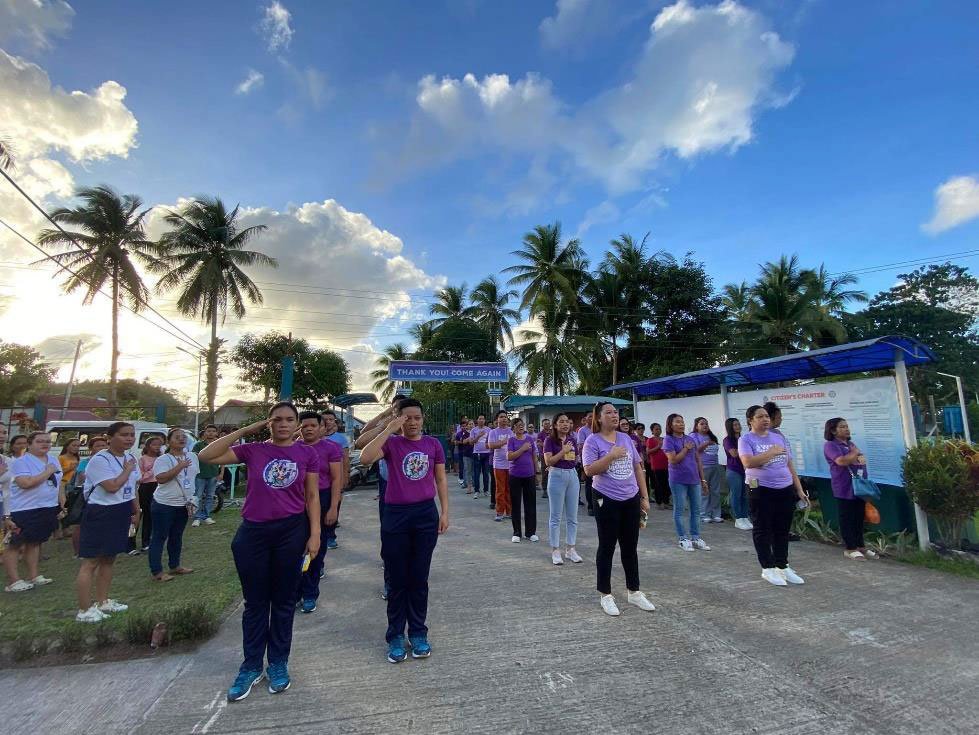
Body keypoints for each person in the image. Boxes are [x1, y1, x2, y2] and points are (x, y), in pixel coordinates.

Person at [199, 402, 321, 701]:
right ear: (269, 423)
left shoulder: (307, 453)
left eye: (289, 419)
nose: (283, 424)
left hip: (291, 531)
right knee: (255, 604)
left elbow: (312, 495)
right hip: (253, 532)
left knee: (283, 601)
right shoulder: (252, 451)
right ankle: (251, 665)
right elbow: (206, 456)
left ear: (296, 423)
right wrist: (247, 429)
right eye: (277, 419)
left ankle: (278, 663)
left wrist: (315, 533)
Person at [359, 398, 449, 664]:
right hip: (396, 515)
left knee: (419, 578)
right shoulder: (391, 444)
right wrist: (388, 428)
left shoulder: (433, 444)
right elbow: (365, 457)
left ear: (423, 419)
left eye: (417, 418)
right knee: (397, 580)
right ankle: (396, 635)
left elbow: (440, 479)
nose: (412, 423)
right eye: (406, 418)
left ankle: (418, 632)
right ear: (398, 419)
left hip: (425, 515)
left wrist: (445, 512)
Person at [583, 402, 655, 617]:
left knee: (630, 547)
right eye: (609, 412)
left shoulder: (626, 438)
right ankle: (605, 594)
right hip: (605, 498)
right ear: (598, 418)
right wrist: (611, 455)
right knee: (607, 546)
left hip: (631, 498)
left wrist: (644, 496)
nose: (614, 415)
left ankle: (634, 591)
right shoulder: (592, 441)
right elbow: (589, 470)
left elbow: (637, 467)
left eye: (616, 412)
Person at [75, 422, 140, 622]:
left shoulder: (130, 457)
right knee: (91, 561)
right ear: (110, 438)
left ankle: (103, 600)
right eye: (124, 434)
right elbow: (111, 486)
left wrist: (136, 509)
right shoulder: (100, 460)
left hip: (121, 509)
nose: (129, 438)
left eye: (132, 435)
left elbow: (132, 487)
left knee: (109, 558)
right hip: (101, 511)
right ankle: (84, 609)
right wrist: (127, 470)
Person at [738, 405, 807, 587]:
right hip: (759, 488)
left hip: (784, 487)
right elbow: (748, 462)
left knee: (782, 529)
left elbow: (789, 464)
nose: (765, 419)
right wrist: (770, 453)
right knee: (762, 528)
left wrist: (799, 489)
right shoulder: (746, 439)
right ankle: (767, 568)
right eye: (760, 416)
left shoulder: (778, 437)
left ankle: (782, 565)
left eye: (767, 416)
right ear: (750, 420)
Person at [296, 411, 343, 612]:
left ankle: (309, 593)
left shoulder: (330, 448)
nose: (308, 429)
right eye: (304, 426)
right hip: (297, 501)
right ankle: (295, 591)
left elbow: (336, 479)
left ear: (321, 427)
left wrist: (333, 507)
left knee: (316, 548)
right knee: (296, 548)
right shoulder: (293, 447)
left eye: (313, 426)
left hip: (322, 499)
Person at [4, 432, 63, 592]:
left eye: (47, 441)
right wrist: (47, 472)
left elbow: (58, 482)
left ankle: (33, 575)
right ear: (29, 444)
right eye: (40, 441)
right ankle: (14, 581)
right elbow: (25, 483)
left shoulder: (53, 459)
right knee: (15, 544)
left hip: (47, 506)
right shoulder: (21, 462)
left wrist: (61, 501)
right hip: (24, 508)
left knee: (35, 542)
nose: (45, 444)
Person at [823, 417, 878, 561]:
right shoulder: (830, 445)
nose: (846, 429)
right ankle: (850, 548)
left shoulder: (851, 444)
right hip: (844, 487)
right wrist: (854, 454)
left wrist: (855, 456)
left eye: (847, 426)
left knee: (859, 517)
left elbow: (859, 461)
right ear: (833, 431)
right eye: (842, 427)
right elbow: (841, 461)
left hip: (858, 487)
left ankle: (860, 546)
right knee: (847, 517)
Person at [148, 428, 199, 582]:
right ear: (168, 441)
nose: (182, 439)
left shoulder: (192, 456)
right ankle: (157, 571)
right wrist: (180, 466)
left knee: (177, 536)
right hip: (164, 504)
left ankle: (175, 565)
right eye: (177, 437)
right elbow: (161, 478)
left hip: (183, 503)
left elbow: (193, 477)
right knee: (159, 537)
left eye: (184, 437)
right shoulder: (163, 460)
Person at [662, 414, 710, 552]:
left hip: (694, 479)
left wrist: (703, 479)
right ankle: (683, 538)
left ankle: (695, 537)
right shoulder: (668, 440)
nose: (681, 424)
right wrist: (685, 449)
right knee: (679, 510)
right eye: (677, 422)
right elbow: (673, 460)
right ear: (670, 425)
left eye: (682, 421)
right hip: (678, 480)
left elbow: (697, 460)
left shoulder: (690, 439)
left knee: (696, 510)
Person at [542, 413, 582, 566]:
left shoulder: (572, 439)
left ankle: (571, 549)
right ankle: (555, 550)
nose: (565, 424)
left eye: (567, 422)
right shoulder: (549, 440)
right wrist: (563, 452)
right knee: (556, 516)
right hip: (556, 476)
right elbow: (548, 461)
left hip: (572, 475)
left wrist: (568, 456)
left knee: (572, 516)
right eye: (562, 422)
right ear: (555, 425)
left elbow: (576, 458)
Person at [66, 436, 107, 557]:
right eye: (98, 446)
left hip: (104, 496)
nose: (101, 448)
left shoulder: (110, 461)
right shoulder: (85, 462)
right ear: (91, 448)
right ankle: (77, 551)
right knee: (80, 525)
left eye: (104, 445)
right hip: (84, 496)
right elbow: (83, 477)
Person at [506, 418, 538, 543]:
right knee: (516, 504)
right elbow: (509, 456)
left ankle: (531, 532)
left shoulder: (529, 439)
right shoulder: (511, 440)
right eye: (518, 425)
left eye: (522, 424)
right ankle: (517, 533)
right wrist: (522, 449)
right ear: (513, 428)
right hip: (515, 476)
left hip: (529, 475)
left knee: (530, 504)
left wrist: (536, 472)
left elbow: (534, 456)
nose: (521, 426)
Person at [322, 410, 350, 550]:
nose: (328, 422)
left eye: (331, 419)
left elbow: (345, 459)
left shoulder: (340, 439)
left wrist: (345, 477)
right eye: (325, 419)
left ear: (335, 422)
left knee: (334, 506)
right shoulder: (313, 438)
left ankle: (330, 537)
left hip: (335, 479)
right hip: (318, 480)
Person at [134, 436, 163, 553]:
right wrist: (153, 470)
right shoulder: (142, 459)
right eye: (154, 444)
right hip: (146, 488)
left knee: (151, 516)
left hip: (158, 486)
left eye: (159, 445)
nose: (157, 447)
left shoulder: (161, 458)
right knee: (140, 514)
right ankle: (131, 542)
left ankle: (147, 542)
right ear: (147, 446)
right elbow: (139, 478)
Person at [693, 418, 724, 524]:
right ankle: (704, 515)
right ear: (696, 426)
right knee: (704, 491)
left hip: (715, 466)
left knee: (715, 491)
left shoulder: (711, 436)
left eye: (706, 423)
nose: (705, 425)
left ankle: (716, 514)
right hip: (703, 467)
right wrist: (706, 444)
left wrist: (709, 442)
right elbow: (695, 450)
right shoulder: (694, 436)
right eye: (702, 424)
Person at [724, 419, 751, 530]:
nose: (738, 426)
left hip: (746, 470)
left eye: (738, 424)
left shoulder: (743, 438)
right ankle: (738, 519)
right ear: (730, 427)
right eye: (735, 425)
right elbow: (734, 453)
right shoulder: (727, 440)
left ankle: (745, 517)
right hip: (734, 471)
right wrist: (746, 450)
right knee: (736, 495)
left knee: (745, 495)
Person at [487, 411, 514, 522]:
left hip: (511, 465)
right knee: (500, 489)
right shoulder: (493, 432)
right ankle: (499, 512)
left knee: (509, 489)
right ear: (497, 419)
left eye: (505, 417)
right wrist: (504, 442)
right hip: (498, 465)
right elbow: (491, 445)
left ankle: (509, 511)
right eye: (501, 417)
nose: (504, 419)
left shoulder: (511, 431)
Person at [192, 425, 220, 527]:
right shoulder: (198, 445)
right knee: (198, 497)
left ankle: (206, 516)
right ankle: (197, 518)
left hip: (213, 474)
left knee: (210, 496)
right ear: (205, 432)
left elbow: (223, 459)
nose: (211, 433)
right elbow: (193, 458)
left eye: (213, 431)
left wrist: (221, 473)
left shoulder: (219, 444)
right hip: (200, 475)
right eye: (208, 431)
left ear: (216, 433)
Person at [645, 423, 671, 509]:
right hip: (656, 466)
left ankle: (666, 502)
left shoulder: (664, 439)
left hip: (666, 465)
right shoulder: (650, 440)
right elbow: (648, 452)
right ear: (652, 431)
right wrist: (658, 446)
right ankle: (659, 503)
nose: (658, 430)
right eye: (656, 429)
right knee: (658, 484)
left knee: (666, 484)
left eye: (659, 429)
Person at [470, 415, 491, 501]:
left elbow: (491, 441)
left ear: (485, 420)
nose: (481, 420)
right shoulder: (473, 430)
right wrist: (478, 436)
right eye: (480, 419)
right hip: (477, 453)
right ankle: (476, 491)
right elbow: (471, 442)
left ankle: (486, 490)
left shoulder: (489, 430)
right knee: (476, 473)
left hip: (487, 453)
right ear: (477, 420)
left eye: (483, 419)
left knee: (486, 473)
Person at [577, 416, 593, 514]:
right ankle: (590, 506)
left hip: (600, 460)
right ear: (585, 418)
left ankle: (599, 505)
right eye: (590, 416)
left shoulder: (599, 428)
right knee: (589, 484)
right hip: (588, 460)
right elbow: (581, 447)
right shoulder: (582, 430)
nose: (592, 418)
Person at [455, 421, 474, 494]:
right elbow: (463, 441)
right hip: (466, 454)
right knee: (467, 470)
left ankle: (474, 484)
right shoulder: (465, 433)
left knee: (474, 471)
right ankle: (468, 486)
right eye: (469, 424)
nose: (471, 425)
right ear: (467, 426)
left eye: (472, 424)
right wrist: (469, 439)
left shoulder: (476, 432)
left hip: (475, 454)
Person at [536, 418, 552, 498]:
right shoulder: (540, 434)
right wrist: (549, 445)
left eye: (548, 423)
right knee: (545, 472)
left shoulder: (553, 432)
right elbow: (539, 444)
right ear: (542, 425)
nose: (547, 425)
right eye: (545, 423)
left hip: (553, 455)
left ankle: (551, 489)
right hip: (544, 455)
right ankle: (545, 490)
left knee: (552, 472)